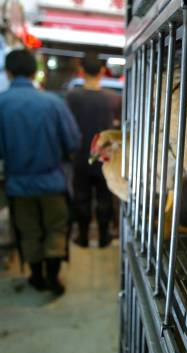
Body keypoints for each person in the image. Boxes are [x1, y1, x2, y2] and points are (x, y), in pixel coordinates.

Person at [0, 49, 81, 296]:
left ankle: (36, 276)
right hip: (53, 183)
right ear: (35, 72)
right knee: (56, 228)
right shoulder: (54, 103)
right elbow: (73, 142)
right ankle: (53, 278)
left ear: (8, 72)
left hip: (17, 184)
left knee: (28, 231)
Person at [66, 54, 121, 248]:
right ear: (101, 72)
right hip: (105, 157)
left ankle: (82, 238)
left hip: (80, 156)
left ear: (81, 71)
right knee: (105, 198)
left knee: (81, 197)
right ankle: (104, 238)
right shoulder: (113, 99)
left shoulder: (72, 97)